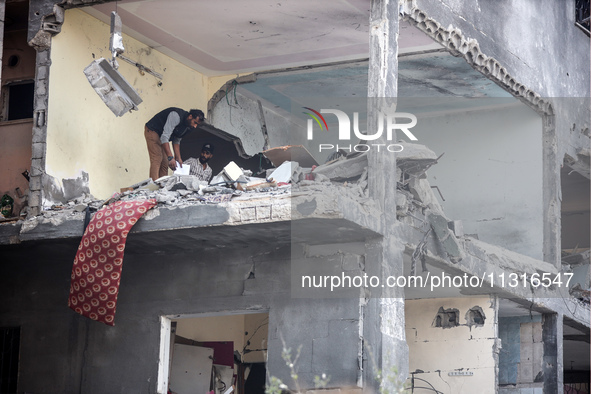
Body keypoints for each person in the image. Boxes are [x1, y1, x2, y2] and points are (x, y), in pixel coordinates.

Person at [144, 107, 205, 180]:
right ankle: (153, 186)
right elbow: (165, 137)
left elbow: (177, 140)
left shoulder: (188, 127)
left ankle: (162, 186)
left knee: (165, 162)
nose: (195, 126)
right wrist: (170, 157)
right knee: (157, 159)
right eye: (195, 122)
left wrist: (178, 158)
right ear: (190, 116)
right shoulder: (176, 116)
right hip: (153, 130)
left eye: (197, 124)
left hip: (162, 136)